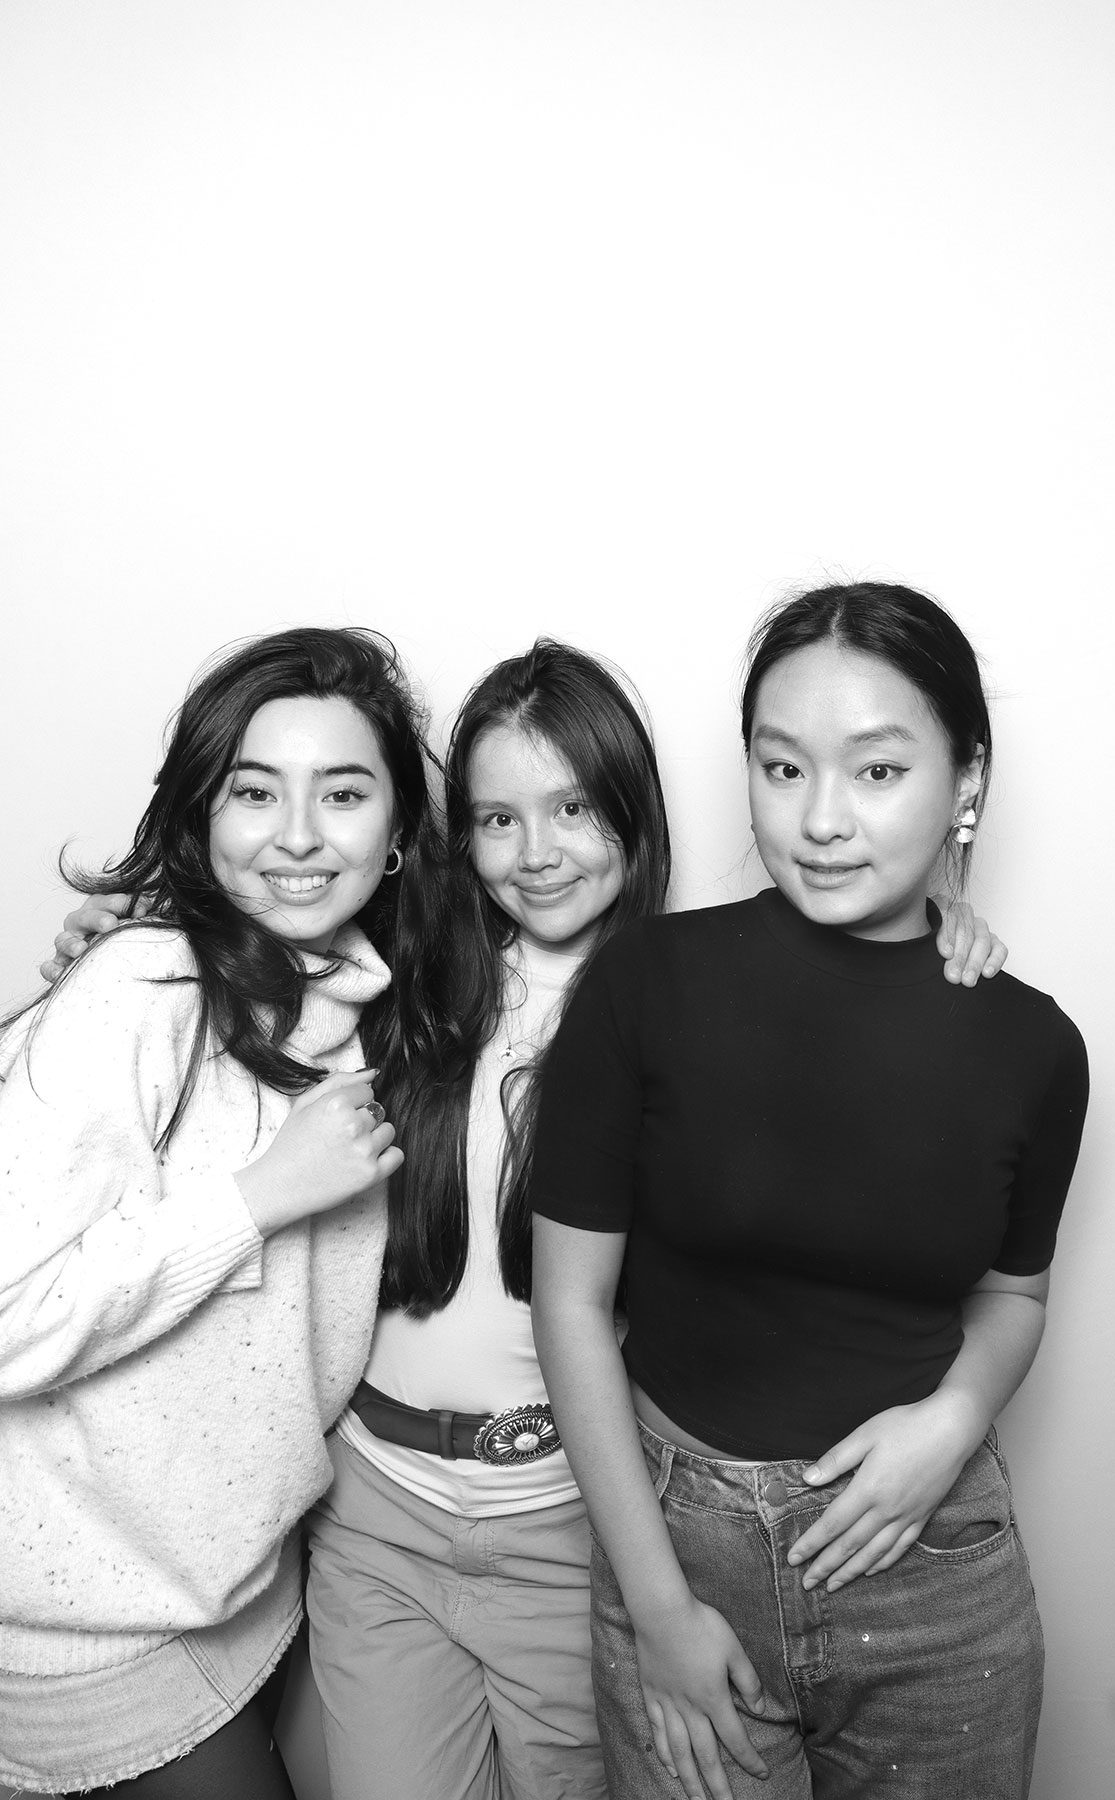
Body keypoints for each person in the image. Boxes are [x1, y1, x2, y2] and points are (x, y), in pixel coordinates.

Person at [39, 636, 1007, 1800]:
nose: (537, 854)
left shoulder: (692, 1004)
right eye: (496, 819)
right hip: (371, 1514)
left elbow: (850, 1006)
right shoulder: (399, 983)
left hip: (563, 1519)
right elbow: (264, 929)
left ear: (635, 815)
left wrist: (949, 916)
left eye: (575, 809)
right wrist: (136, 932)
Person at [530, 584, 1089, 1800]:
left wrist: (950, 1424)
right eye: (782, 770)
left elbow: (1015, 1291)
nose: (822, 820)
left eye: (877, 773)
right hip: (677, 1547)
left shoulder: (1034, 1046)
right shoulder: (646, 984)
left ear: (965, 779)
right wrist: (658, 1605)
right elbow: (569, 1305)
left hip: (932, 1557)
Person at [0, 627, 442, 1798]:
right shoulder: (140, 992)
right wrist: (255, 1200)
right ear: (203, 815)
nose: (298, 835)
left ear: (398, 836)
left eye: (342, 793)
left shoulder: (364, 1005)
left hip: (250, 1590)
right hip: (90, 1630)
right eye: (256, 792)